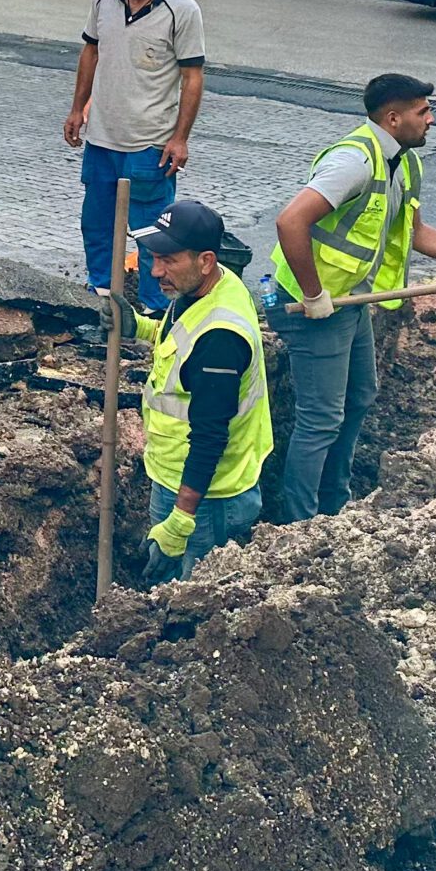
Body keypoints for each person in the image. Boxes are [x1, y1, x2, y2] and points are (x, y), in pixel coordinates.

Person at [269, 73, 436, 521]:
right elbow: (291, 221)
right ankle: (300, 522)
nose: (432, 119)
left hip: (350, 301)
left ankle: (336, 503)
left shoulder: (404, 162)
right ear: (393, 118)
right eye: (422, 111)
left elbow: (417, 233)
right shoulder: (354, 161)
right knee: (321, 418)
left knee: (360, 396)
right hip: (312, 306)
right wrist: (314, 295)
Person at [127, 199, 270, 583]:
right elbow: (180, 340)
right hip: (175, 473)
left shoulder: (220, 339)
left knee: (193, 597)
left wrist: (182, 519)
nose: (156, 271)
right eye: (154, 257)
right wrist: (137, 327)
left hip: (206, 497)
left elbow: (210, 436)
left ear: (205, 260)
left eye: (168, 260)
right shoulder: (210, 286)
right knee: (166, 586)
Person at [64, 0, 205, 312]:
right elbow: (90, 52)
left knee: (153, 237)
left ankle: (156, 311)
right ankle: (103, 300)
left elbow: (193, 78)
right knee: (96, 225)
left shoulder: (183, 11)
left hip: (150, 146)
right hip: (102, 141)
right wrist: (78, 109)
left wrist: (180, 138)